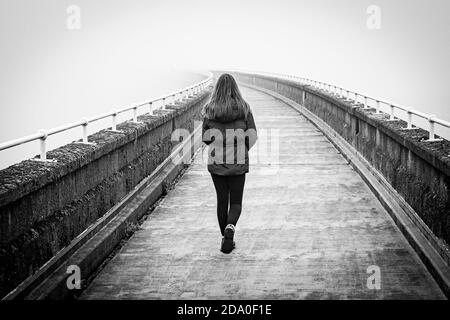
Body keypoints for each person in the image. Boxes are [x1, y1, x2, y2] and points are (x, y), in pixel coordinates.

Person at [202, 73, 257, 254]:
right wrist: (242, 148)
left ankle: (224, 238)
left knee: (221, 201)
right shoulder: (244, 108)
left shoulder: (209, 110)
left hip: (217, 162)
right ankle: (230, 229)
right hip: (238, 161)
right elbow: (253, 134)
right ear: (235, 88)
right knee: (235, 203)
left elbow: (205, 137)